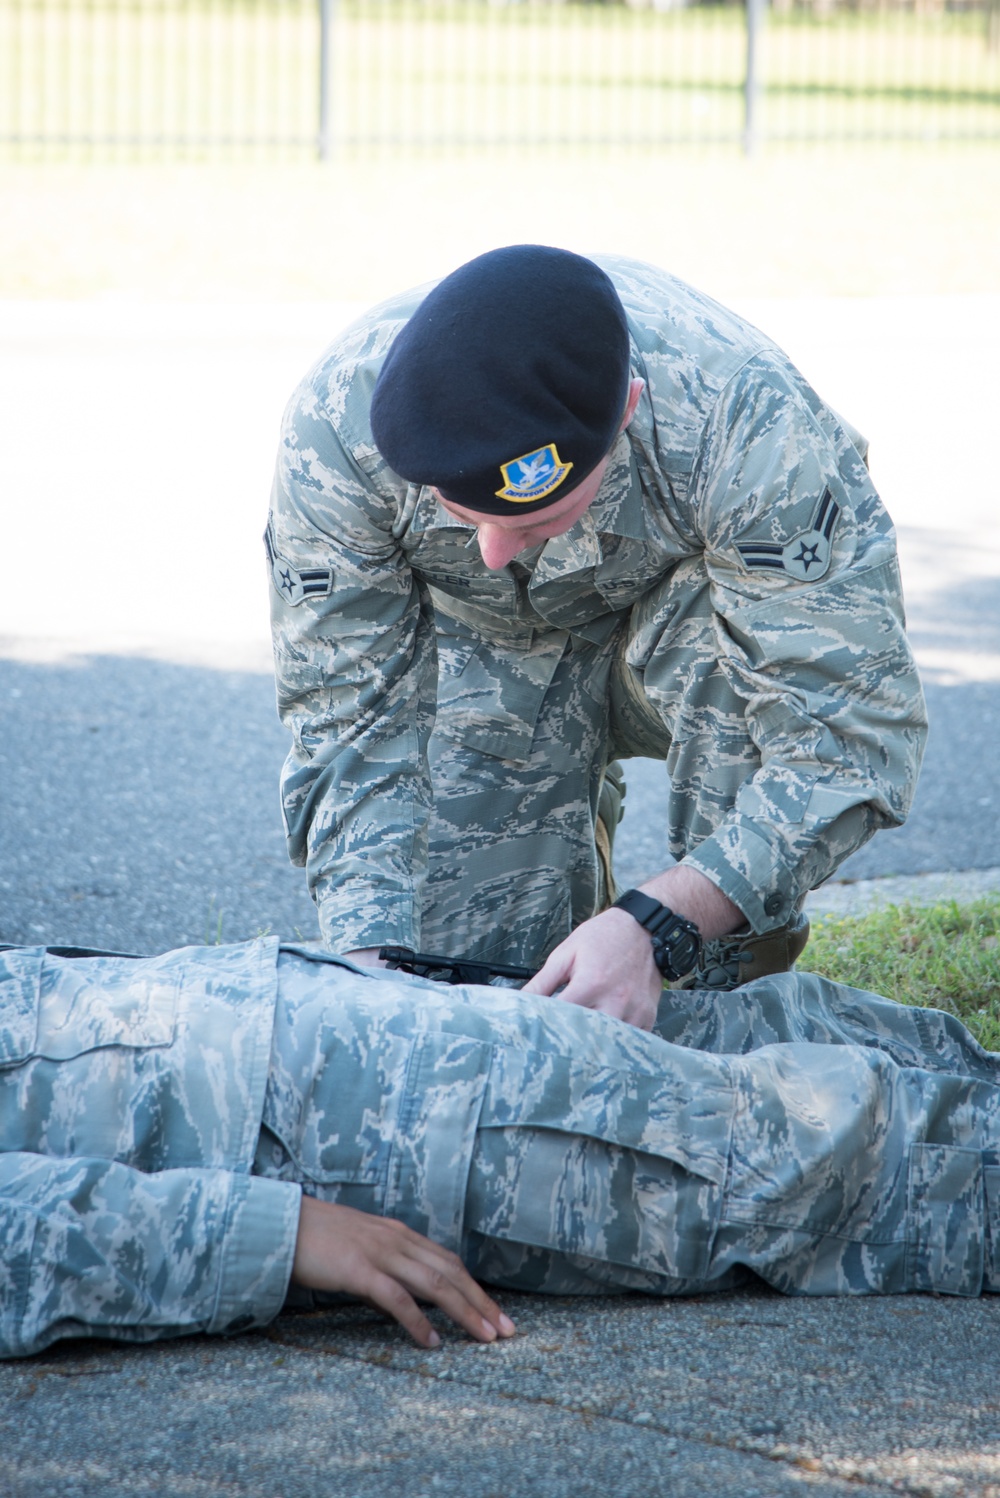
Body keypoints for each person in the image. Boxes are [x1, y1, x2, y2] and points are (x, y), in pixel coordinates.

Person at [267, 246, 926, 1029]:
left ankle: (727, 1018)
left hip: (691, 641)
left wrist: (659, 927)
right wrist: (370, 962)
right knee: (470, 997)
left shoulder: (747, 420)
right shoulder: (338, 434)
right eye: (459, 512)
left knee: (719, 1006)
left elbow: (844, 737)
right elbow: (351, 725)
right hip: (491, 658)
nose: (492, 551)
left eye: (532, 518)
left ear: (626, 413)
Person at [2, 935, 998, 1360]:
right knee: (802, 1163)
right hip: (327, 1139)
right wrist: (273, 1232)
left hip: (300, 1017)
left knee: (781, 1029)